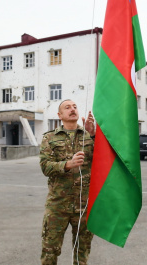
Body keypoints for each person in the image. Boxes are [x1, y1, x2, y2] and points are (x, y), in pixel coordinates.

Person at [39, 99, 95, 265]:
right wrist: (68, 164)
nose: (72, 109)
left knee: (82, 253)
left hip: (84, 205)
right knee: (49, 251)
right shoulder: (50, 138)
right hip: (58, 205)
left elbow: (105, 161)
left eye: (75, 107)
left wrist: (93, 134)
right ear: (59, 115)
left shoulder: (89, 136)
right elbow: (45, 167)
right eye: (67, 107)